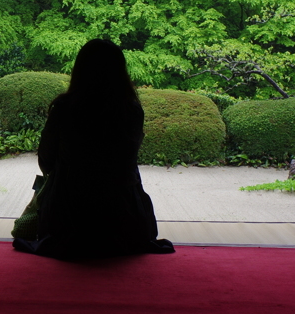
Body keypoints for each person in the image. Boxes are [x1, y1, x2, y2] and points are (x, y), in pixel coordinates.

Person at [12, 39, 174, 259]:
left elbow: (46, 161)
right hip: (124, 217)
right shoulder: (132, 111)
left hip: (69, 214)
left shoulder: (65, 108)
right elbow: (128, 160)